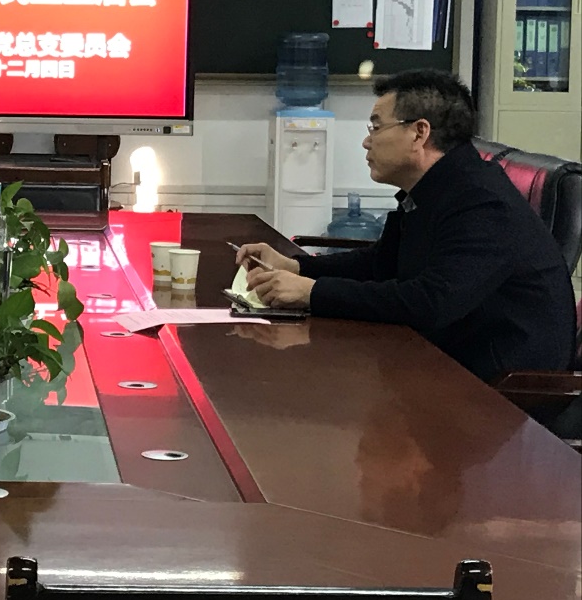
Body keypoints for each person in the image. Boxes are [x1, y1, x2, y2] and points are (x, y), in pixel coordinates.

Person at [237, 69, 575, 382]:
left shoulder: (483, 203)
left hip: (499, 391)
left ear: (419, 132)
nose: (367, 142)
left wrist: (311, 292)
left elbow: (431, 303)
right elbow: (382, 263)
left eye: (376, 128)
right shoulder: (438, 187)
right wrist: (297, 267)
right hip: (443, 359)